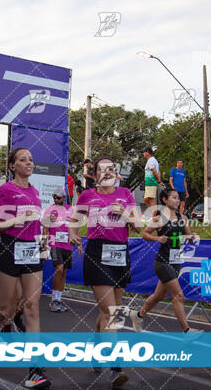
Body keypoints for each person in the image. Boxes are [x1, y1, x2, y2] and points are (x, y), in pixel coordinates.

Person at [70, 157, 143, 388]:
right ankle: (115, 366)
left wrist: (126, 213)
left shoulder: (126, 194)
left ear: (116, 173)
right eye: (102, 170)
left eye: (111, 169)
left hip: (120, 254)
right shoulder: (88, 196)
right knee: (110, 311)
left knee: (111, 311)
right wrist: (73, 234)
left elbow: (139, 226)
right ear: (96, 174)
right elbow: (74, 220)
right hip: (97, 252)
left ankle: (95, 345)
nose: (107, 172)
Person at [0, 148, 50, 389]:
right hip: (9, 249)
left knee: (32, 307)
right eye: (23, 160)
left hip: (32, 251)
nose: (29, 163)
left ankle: (35, 371)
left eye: (31, 159)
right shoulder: (6, 190)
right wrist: (14, 221)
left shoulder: (34, 191)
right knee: (6, 309)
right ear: (12, 166)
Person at [129, 188, 203, 337]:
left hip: (176, 261)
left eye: (178, 198)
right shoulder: (159, 219)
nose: (177, 200)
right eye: (174, 197)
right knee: (178, 296)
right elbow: (145, 234)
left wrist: (194, 237)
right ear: (164, 200)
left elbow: (188, 236)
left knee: (159, 296)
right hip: (163, 262)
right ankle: (187, 331)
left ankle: (138, 316)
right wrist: (157, 238)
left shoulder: (183, 218)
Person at [42, 187, 73, 313]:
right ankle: (54, 300)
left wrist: (78, 242)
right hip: (55, 244)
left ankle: (59, 299)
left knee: (64, 272)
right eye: (54, 197)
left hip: (67, 245)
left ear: (64, 198)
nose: (55, 199)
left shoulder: (70, 209)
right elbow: (45, 226)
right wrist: (44, 241)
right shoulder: (49, 209)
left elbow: (73, 226)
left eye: (58, 197)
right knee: (58, 269)